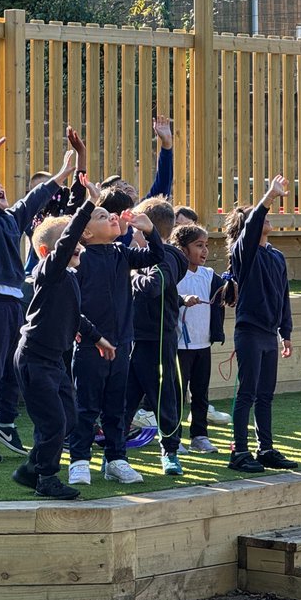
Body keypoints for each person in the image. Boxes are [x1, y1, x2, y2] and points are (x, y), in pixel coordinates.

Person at [0, 123, 73, 462]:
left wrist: (62, 174)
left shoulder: (10, 219)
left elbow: (34, 198)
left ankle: (5, 422)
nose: (1, 189)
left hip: (13, 302)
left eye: (0, 185)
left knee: (13, 367)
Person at [13, 187, 115, 500]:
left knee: (67, 418)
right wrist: (88, 206)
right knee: (55, 421)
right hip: (33, 359)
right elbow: (69, 238)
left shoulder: (69, 277)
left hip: (54, 360)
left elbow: (76, 315)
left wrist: (99, 339)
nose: (78, 251)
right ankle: (46, 478)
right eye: (71, 249)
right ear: (48, 253)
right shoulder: (48, 272)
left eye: (79, 249)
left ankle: (31, 467)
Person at [67, 199, 162, 486]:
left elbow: (156, 256)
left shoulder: (122, 252)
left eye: (110, 215)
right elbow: (73, 306)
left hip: (121, 345)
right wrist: (90, 335)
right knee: (86, 407)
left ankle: (116, 459)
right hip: (89, 345)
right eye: (101, 216)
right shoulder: (79, 259)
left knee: (116, 408)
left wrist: (150, 231)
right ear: (85, 233)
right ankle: (79, 461)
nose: (110, 218)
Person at [225, 174, 295, 473]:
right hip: (250, 332)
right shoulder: (246, 253)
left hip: (269, 334)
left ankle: (264, 448)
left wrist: (286, 332)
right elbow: (252, 226)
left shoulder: (277, 256)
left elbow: (284, 296)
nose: (264, 219)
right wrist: (268, 197)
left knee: (266, 395)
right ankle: (239, 452)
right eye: (256, 217)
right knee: (247, 393)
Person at [126, 199, 191, 476]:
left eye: (136, 227)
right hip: (133, 338)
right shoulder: (143, 256)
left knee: (164, 398)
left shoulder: (168, 257)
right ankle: (114, 452)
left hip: (157, 339)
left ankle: (171, 452)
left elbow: (155, 286)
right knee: (124, 400)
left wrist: (130, 277)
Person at [173, 223, 232, 454]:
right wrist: (182, 299)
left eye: (206, 245)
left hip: (203, 344)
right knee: (177, 394)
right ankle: (173, 438)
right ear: (182, 248)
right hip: (179, 346)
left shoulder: (209, 276)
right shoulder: (174, 273)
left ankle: (199, 436)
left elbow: (228, 294)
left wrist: (233, 286)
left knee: (201, 393)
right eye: (199, 245)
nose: (205, 251)